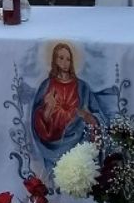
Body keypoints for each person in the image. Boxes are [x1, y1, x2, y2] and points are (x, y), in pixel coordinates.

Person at [31, 43, 110, 171]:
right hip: (52, 144)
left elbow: (97, 114)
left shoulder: (82, 87)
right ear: (55, 60)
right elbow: (37, 119)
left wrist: (88, 117)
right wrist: (47, 111)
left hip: (78, 140)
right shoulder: (46, 86)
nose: (65, 62)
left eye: (68, 59)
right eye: (61, 58)